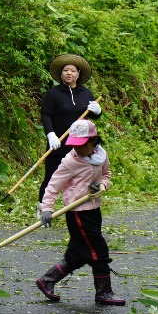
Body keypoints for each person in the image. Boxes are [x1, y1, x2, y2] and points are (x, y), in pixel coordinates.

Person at [35, 119, 125, 306]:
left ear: (93, 141)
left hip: (94, 209)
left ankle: (47, 280)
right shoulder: (70, 162)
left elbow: (107, 176)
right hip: (77, 213)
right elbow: (52, 186)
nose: (78, 149)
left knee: (78, 253)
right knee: (98, 250)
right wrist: (47, 209)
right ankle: (104, 292)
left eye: (82, 145)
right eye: (75, 144)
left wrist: (101, 185)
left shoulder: (101, 156)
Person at [38, 53, 102, 203]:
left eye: (73, 70)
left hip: (80, 146)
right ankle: (43, 208)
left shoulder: (86, 93)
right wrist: (50, 134)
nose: (69, 73)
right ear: (61, 74)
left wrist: (98, 111)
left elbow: (93, 115)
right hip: (58, 143)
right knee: (51, 177)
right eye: (66, 70)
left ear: (78, 74)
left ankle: (77, 207)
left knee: (80, 178)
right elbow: (45, 115)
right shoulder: (53, 94)